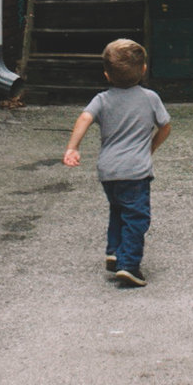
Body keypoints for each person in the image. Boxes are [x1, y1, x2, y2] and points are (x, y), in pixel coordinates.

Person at [62, 39, 172, 287]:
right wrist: (151, 147)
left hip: (108, 170)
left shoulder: (102, 100)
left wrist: (72, 147)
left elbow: (84, 118)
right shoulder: (150, 98)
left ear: (106, 74)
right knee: (137, 218)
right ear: (143, 69)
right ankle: (129, 265)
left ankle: (114, 251)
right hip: (135, 171)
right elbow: (165, 126)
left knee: (118, 210)